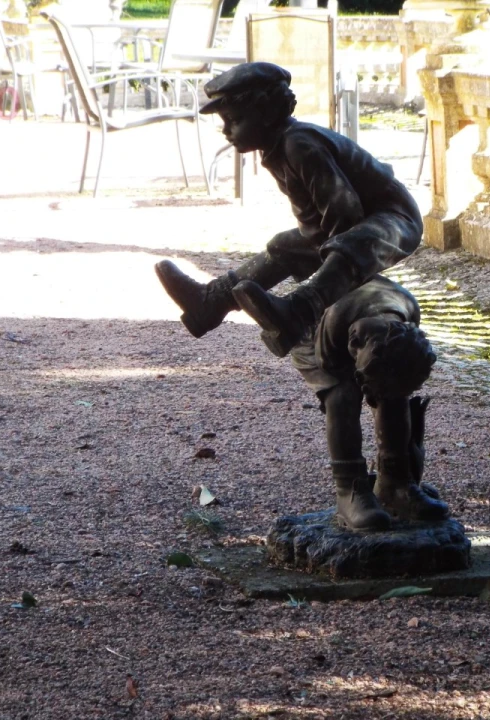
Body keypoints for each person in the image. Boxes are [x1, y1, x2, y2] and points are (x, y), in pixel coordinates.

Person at [154, 61, 423, 359]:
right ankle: (210, 302)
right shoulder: (278, 147)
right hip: (356, 223)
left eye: (234, 119)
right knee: (284, 245)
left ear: (266, 114)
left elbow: (344, 210)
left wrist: (332, 265)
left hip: (393, 220)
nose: (226, 130)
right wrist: (311, 245)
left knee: (350, 243)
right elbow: (313, 218)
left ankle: (298, 311)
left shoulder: (299, 144)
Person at [289, 274, 449, 531]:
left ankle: (395, 484)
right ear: (356, 344)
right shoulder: (338, 318)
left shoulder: (407, 314)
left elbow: (401, 365)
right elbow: (330, 367)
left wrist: (388, 393)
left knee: (395, 397)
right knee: (342, 398)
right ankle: (349, 491)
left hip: (369, 342)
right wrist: (362, 382)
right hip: (312, 335)